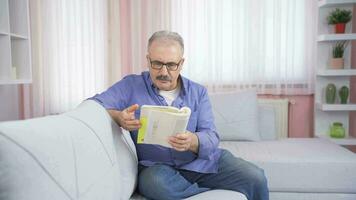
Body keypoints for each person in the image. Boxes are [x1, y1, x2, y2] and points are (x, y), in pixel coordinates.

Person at [90, 30, 269, 200]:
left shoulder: (198, 92)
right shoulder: (130, 86)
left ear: (181, 63)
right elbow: (94, 104)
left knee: (256, 176)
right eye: (157, 63)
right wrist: (118, 117)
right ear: (148, 60)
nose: (164, 72)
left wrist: (193, 141)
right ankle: (204, 192)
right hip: (157, 168)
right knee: (155, 184)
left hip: (202, 163)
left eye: (171, 65)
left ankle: (189, 189)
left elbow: (211, 136)